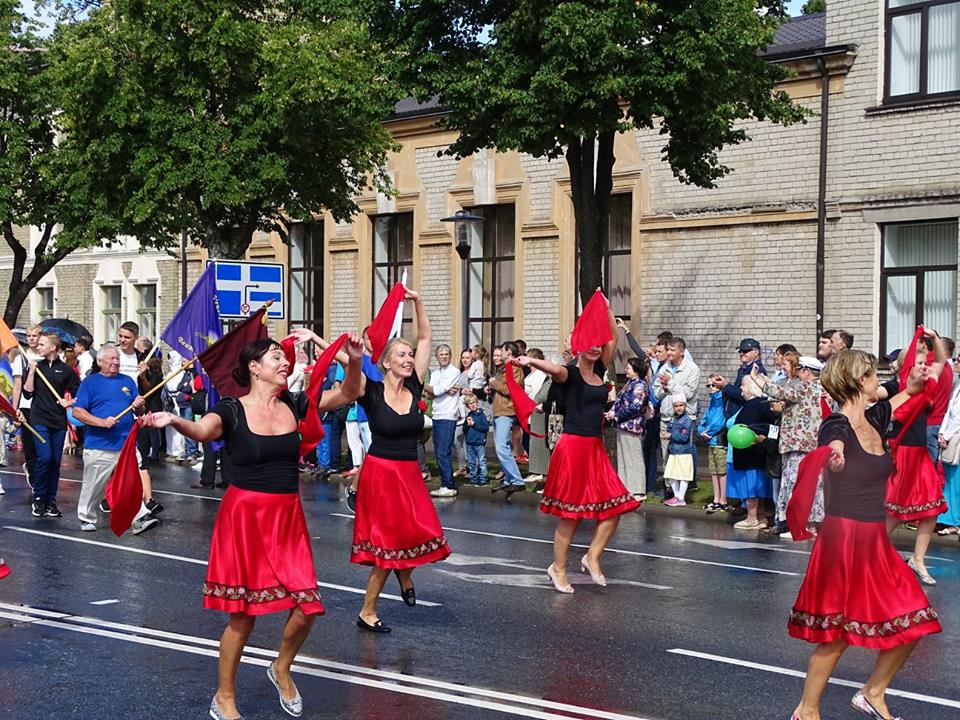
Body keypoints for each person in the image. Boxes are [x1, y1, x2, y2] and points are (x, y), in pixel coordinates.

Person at [142, 331, 365, 720]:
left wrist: (354, 359)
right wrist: (174, 419)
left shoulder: (297, 404)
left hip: (286, 518)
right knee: (243, 617)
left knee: (308, 607)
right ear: (254, 368)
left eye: (284, 357)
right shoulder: (230, 410)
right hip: (245, 518)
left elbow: (351, 392)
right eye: (275, 357)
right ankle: (224, 696)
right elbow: (203, 430)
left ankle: (280, 667)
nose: (284, 363)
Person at [787, 349, 942, 720]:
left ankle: (873, 692)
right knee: (837, 634)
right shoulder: (836, 425)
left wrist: (924, 373)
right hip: (843, 541)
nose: (879, 380)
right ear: (860, 381)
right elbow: (833, 444)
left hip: (874, 541)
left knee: (916, 618)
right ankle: (806, 711)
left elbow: (907, 391)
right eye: (874, 375)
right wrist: (834, 457)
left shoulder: (876, 417)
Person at [518, 309, 640, 593]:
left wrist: (606, 309)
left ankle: (592, 557)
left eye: (598, 344)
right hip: (572, 448)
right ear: (578, 347)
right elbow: (555, 369)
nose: (596, 348)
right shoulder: (570, 373)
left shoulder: (600, 369)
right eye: (590, 344)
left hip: (594, 449)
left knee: (616, 507)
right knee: (571, 514)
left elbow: (612, 337)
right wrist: (531, 360)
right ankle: (558, 568)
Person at [351, 289, 451, 632]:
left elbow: (426, 337)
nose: (409, 359)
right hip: (380, 474)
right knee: (387, 545)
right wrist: (320, 340)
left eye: (410, 355)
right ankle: (368, 610)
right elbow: (344, 361)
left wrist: (417, 301)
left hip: (408, 473)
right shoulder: (372, 391)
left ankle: (405, 574)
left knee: (414, 533)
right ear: (387, 362)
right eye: (402, 355)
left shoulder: (415, 384)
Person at [880, 335, 948, 586]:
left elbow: (942, 360)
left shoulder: (928, 385)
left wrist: (935, 338)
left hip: (919, 453)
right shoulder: (892, 387)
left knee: (930, 509)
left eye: (925, 363)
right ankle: (871, 553)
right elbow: (872, 399)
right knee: (895, 510)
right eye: (919, 362)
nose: (924, 366)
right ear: (906, 365)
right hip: (900, 454)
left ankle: (918, 559)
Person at [71, 345, 158, 534]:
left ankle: (138, 517)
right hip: (99, 445)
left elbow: (139, 411)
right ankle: (86, 517)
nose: (116, 362)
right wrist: (101, 422)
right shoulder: (90, 383)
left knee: (130, 483)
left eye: (117, 359)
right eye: (111, 359)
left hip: (126, 443)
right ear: (100, 361)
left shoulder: (127, 381)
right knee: (94, 485)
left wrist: (138, 406)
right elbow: (77, 411)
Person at [751, 354, 824, 538]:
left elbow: (777, 392)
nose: (798, 374)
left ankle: (796, 525)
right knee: (814, 486)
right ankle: (811, 525)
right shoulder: (823, 389)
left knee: (793, 484)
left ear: (807, 372)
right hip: (815, 444)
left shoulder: (804, 387)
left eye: (800, 370)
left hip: (796, 443)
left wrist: (755, 378)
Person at [21, 331, 80, 518]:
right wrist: (30, 371)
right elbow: (28, 393)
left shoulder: (67, 370)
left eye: (41, 344)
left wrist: (69, 402)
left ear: (53, 347)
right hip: (39, 419)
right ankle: (38, 498)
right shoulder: (36, 367)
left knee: (55, 462)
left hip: (58, 421)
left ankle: (50, 501)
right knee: (44, 458)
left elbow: (80, 395)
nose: (37, 346)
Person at [725, 376, 777, 530]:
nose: (741, 388)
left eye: (743, 385)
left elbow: (747, 427)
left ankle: (751, 517)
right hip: (760, 454)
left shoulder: (753, 405)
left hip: (750, 454)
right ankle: (761, 517)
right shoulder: (764, 404)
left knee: (750, 487)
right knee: (758, 487)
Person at [606, 356, 648, 500]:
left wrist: (616, 415)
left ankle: (638, 490)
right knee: (624, 458)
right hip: (623, 425)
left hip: (632, 426)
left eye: (628, 368)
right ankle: (625, 487)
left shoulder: (640, 385)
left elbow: (635, 407)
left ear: (636, 371)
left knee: (633, 457)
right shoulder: (631, 383)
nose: (626, 370)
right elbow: (620, 402)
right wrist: (612, 412)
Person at [652, 336, 700, 461]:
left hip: (684, 419)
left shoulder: (692, 369)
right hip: (666, 417)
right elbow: (657, 392)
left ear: (682, 352)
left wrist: (670, 383)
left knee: (684, 458)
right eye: (668, 349)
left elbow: (688, 394)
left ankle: (687, 481)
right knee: (666, 457)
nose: (669, 353)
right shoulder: (664, 367)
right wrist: (665, 388)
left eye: (672, 350)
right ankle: (669, 481)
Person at [488, 342, 526, 495]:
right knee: (504, 447)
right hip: (500, 410)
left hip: (507, 411)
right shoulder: (504, 368)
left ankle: (517, 480)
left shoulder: (515, 369)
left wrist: (494, 383)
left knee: (501, 448)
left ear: (509, 352)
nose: (499, 354)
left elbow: (511, 390)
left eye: (502, 351)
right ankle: (508, 480)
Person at [427, 344, 462, 498]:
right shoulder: (435, 373)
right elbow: (429, 395)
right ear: (437, 356)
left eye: (446, 353)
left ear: (450, 355)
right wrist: (439, 390)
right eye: (441, 354)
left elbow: (435, 390)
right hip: (436, 414)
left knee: (443, 451)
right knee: (438, 452)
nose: (444, 356)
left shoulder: (454, 371)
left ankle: (449, 485)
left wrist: (433, 389)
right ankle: (444, 483)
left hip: (448, 415)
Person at [11, 325, 42, 484]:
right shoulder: (20, 358)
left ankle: (40, 474)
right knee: (29, 443)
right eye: (29, 336)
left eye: (34, 336)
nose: (31, 339)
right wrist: (14, 410)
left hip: (44, 406)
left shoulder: (47, 356)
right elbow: (17, 386)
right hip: (26, 405)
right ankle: (32, 472)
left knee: (42, 445)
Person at [936, 358, 960, 536]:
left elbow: (958, 418)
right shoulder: (957, 388)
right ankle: (948, 519)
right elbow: (948, 413)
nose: (956, 364)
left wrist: (948, 435)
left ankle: (955, 521)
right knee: (950, 480)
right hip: (949, 437)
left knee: (955, 481)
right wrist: (942, 433)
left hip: (956, 438)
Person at [698, 383, 728, 513]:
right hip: (710, 442)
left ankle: (723, 500)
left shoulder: (721, 402)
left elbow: (720, 422)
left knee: (721, 472)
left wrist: (708, 433)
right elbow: (703, 420)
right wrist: (701, 431)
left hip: (719, 441)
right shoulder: (712, 403)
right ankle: (716, 499)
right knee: (714, 472)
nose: (710, 387)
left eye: (713, 385)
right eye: (708, 385)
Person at [662, 394, 694, 506]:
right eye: (676, 406)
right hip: (673, 451)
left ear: (685, 405)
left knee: (683, 476)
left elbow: (684, 437)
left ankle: (681, 498)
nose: (679, 408)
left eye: (681, 405)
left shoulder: (686, 420)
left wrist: (670, 435)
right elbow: (670, 430)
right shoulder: (673, 418)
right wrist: (666, 433)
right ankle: (677, 496)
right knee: (671, 475)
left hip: (683, 452)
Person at [463, 394, 489, 485]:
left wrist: (474, 425)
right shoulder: (469, 416)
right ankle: (473, 479)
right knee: (471, 463)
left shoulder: (481, 415)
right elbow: (464, 430)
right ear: (467, 406)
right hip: (470, 443)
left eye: (474, 402)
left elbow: (485, 428)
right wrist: (467, 424)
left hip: (479, 443)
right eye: (470, 403)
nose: (473, 405)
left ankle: (483, 479)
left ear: (477, 403)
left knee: (481, 462)